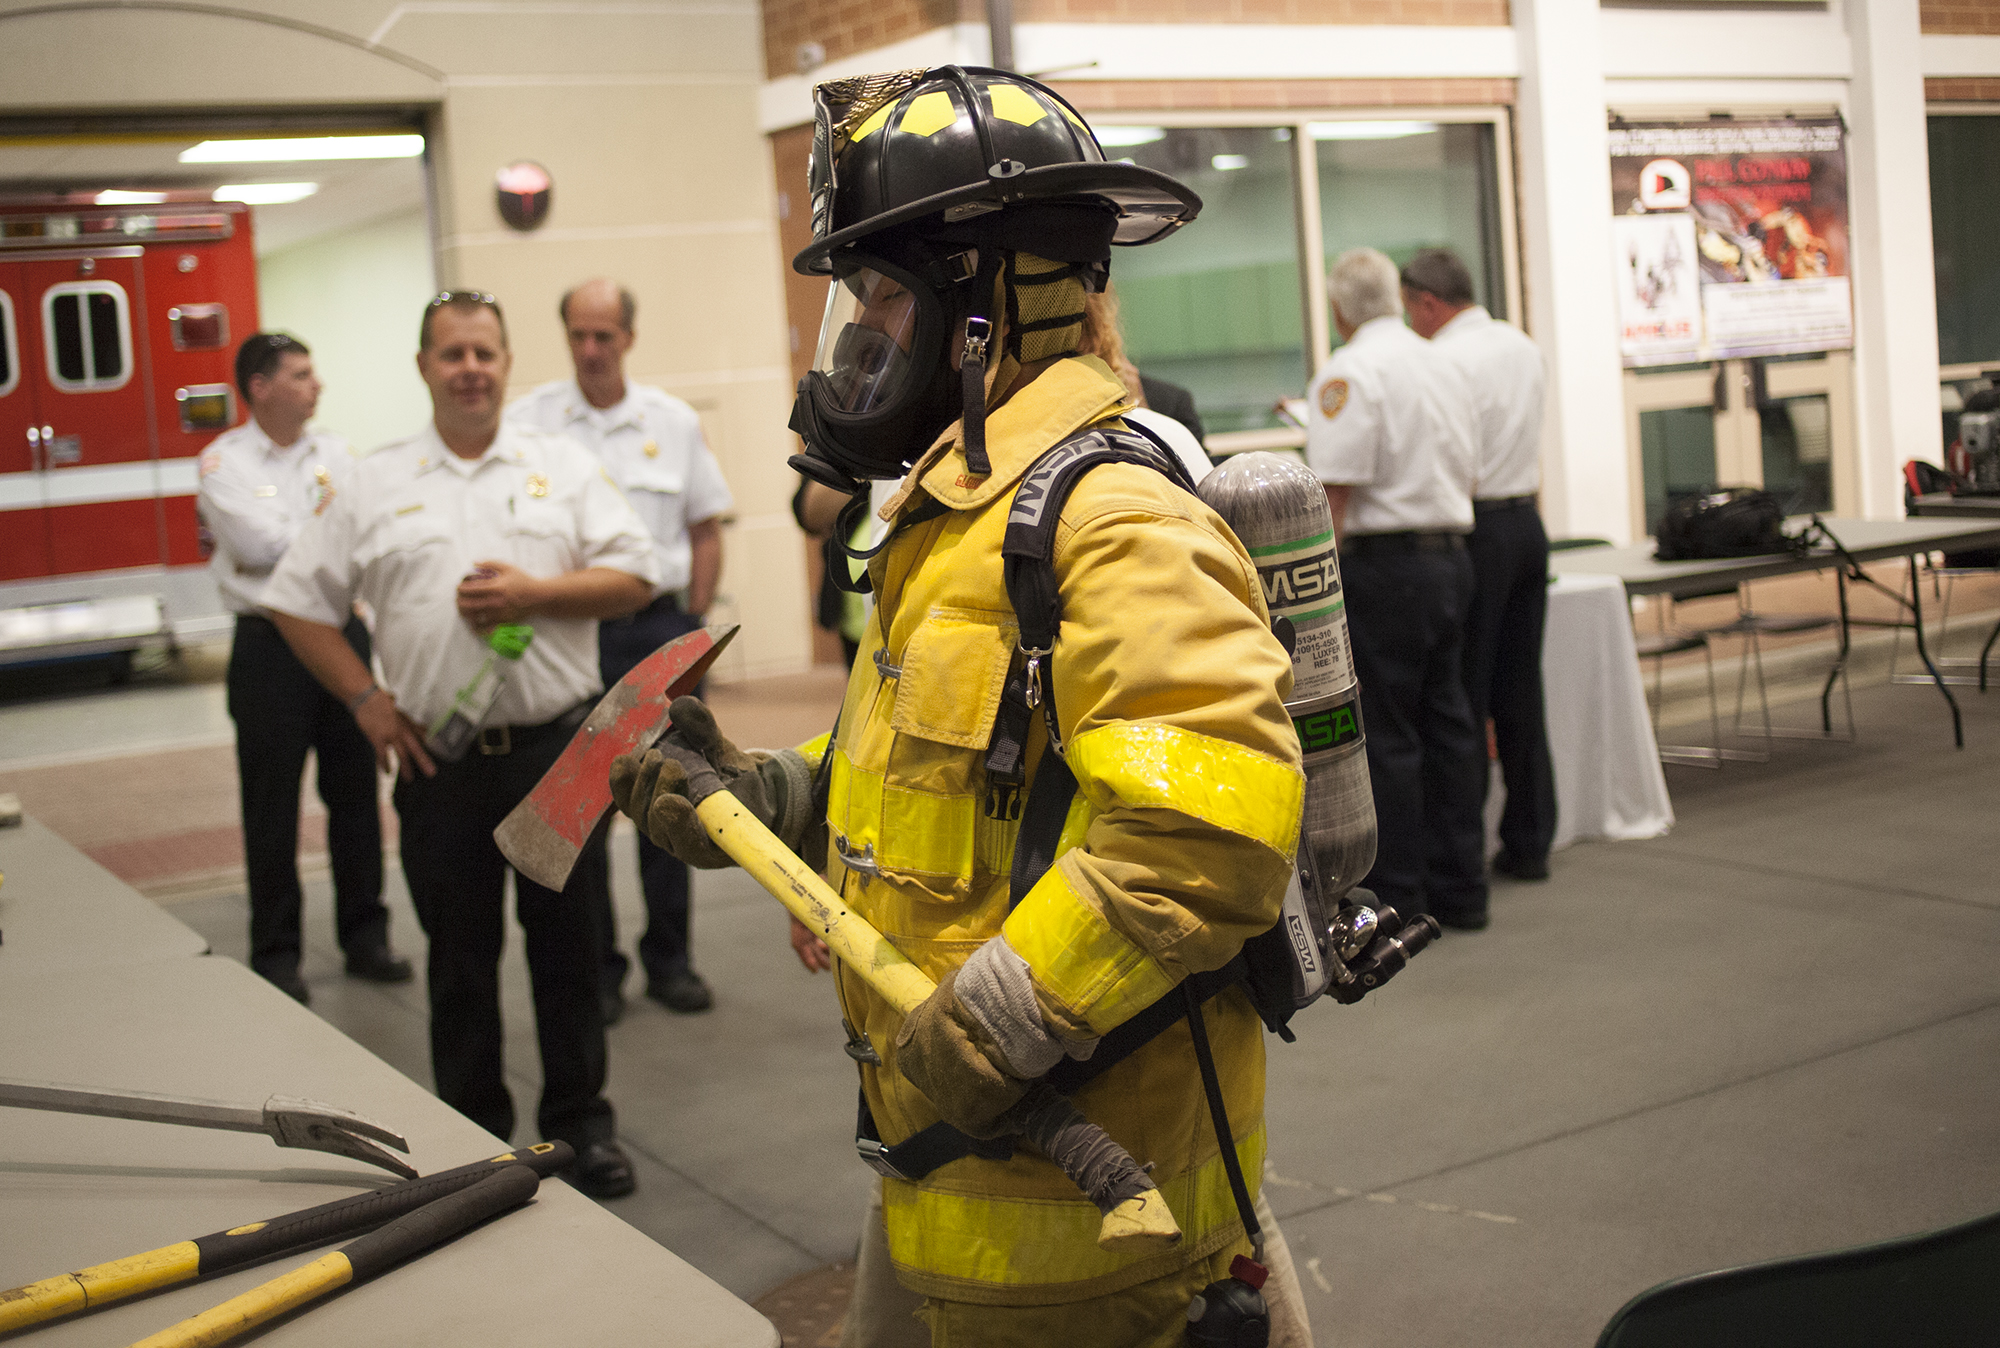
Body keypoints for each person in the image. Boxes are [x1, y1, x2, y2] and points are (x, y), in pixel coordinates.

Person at [614, 66, 1316, 1346]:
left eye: (888, 293)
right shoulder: (964, 509)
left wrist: (1005, 1014)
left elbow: (1211, 830)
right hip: (948, 1174)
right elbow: (962, 767)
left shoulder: (1111, 520)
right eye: (859, 296)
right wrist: (767, 792)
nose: (863, 336)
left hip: (1104, 1213)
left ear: (992, 303)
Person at [262, 292, 658, 1198]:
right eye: (452, 355)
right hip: (440, 766)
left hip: (557, 756)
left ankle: (579, 1133)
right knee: (458, 963)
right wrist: (364, 699)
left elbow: (638, 576)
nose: (469, 368)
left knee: (568, 953)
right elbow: (294, 600)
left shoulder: (562, 465)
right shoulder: (373, 480)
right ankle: (474, 1139)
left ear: (507, 361)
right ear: (424, 368)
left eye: (484, 351)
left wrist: (535, 595)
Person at [507, 279, 734, 1020]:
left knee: (665, 796)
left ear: (628, 339)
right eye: (579, 335)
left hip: (656, 630)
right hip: (572, 634)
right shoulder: (531, 423)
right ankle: (597, 967)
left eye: (605, 336)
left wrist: (694, 629)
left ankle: (671, 961)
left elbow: (705, 529)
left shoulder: (668, 421)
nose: (591, 350)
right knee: (587, 804)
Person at [196, 332, 409, 1005]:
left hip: (339, 633)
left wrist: (316, 538)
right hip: (267, 649)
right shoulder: (221, 461)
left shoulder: (338, 453)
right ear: (260, 387)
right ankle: (278, 951)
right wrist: (323, 534)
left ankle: (366, 935)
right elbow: (256, 545)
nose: (316, 386)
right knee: (272, 804)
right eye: (301, 375)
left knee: (354, 794)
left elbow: (357, 534)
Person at [1306, 247, 1489, 929]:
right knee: (1452, 726)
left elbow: (1335, 490)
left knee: (1388, 736)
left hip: (1387, 570)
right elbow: (1471, 470)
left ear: (1339, 309)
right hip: (1451, 558)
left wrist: (1317, 590)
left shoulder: (1350, 371)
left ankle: (1403, 900)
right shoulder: (1443, 361)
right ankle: (1463, 888)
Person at [1401, 248, 1557, 880]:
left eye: (1413, 310)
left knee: (1465, 696)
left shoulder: (1444, 360)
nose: (1412, 323)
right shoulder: (1521, 346)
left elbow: (1445, 454)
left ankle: (1457, 849)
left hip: (1478, 531)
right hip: (1526, 522)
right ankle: (1529, 841)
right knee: (1522, 690)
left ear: (1430, 303)